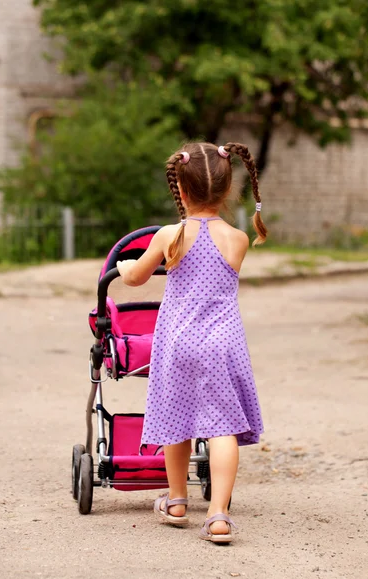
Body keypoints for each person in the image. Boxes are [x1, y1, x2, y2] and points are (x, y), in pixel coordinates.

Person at [117, 142, 265, 544]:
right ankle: (218, 516)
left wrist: (125, 266)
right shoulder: (238, 239)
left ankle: (178, 501)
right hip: (221, 344)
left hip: (178, 343)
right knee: (223, 427)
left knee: (176, 419)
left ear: (180, 191)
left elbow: (135, 279)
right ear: (227, 188)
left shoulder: (171, 235)